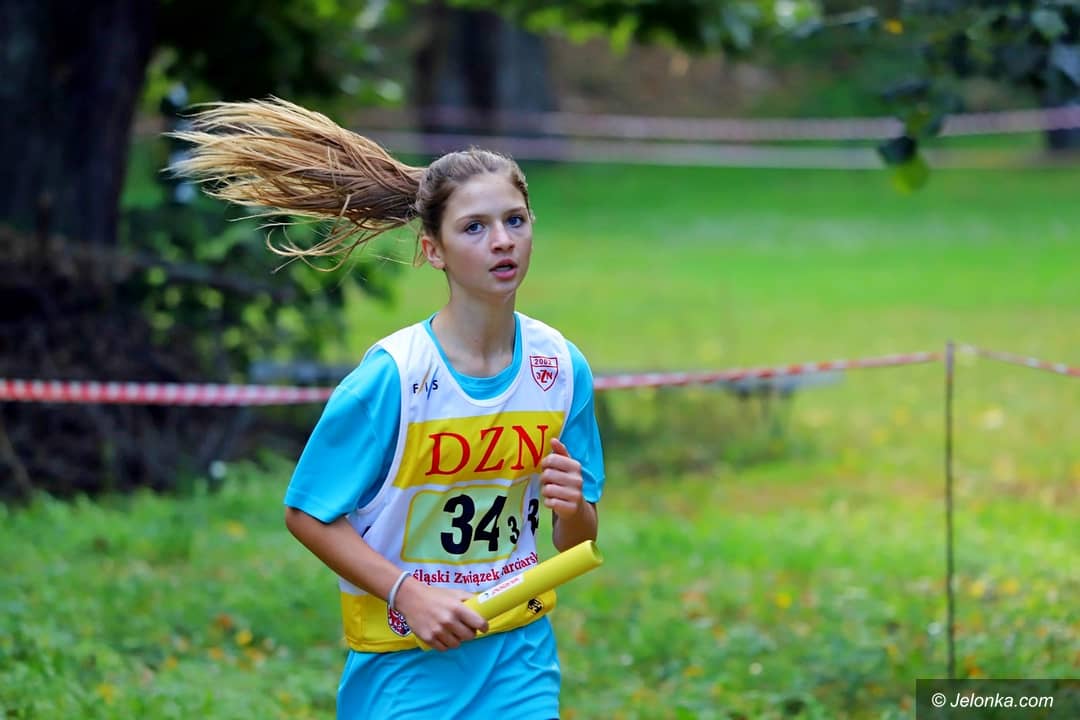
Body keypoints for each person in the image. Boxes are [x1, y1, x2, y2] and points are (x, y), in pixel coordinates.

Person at [173, 98, 605, 719]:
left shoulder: (560, 368)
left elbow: (577, 540)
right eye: (474, 227)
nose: (502, 241)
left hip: (519, 656)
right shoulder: (393, 378)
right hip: (403, 661)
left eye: (515, 220)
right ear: (434, 250)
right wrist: (409, 593)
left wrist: (574, 508)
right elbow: (308, 512)